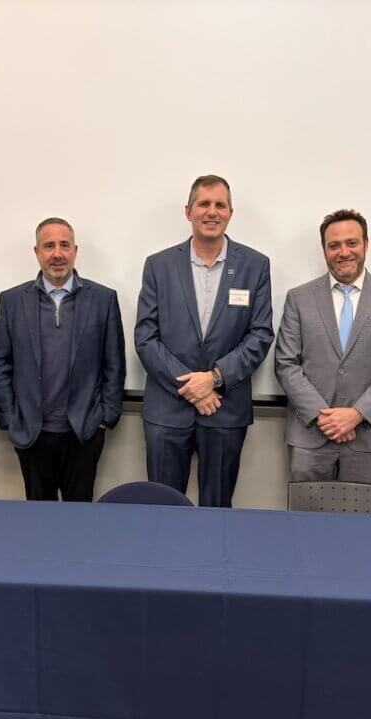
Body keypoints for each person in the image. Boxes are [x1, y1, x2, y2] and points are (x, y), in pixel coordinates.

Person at [135, 175, 273, 507]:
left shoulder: (255, 266)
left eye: (220, 205)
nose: (212, 212)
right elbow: (146, 336)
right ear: (188, 211)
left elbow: (260, 334)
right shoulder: (158, 265)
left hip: (225, 409)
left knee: (218, 509)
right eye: (204, 204)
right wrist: (191, 386)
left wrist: (213, 378)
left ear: (230, 213)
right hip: (167, 411)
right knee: (164, 509)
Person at [0, 218, 125, 501]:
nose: (57, 253)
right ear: (37, 251)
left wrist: (106, 417)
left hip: (84, 430)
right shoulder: (12, 301)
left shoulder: (103, 299)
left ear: (75, 250)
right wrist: (10, 418)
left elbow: (114, 364)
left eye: (64, 245)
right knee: (39, 517)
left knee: (80, 516)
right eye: (49, 246)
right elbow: (1, 363)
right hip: (31, 431)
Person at [274, 209, 371, 484]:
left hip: (368, 437)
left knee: (364, 514)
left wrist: (356, 414)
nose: (343, 252)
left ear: (366, 244)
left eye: (352, 243)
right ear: (324, 250)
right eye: (334, 245)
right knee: (307, 512)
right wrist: (324, 417)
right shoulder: (299, 298)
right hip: (310, 435)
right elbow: (286, 363)